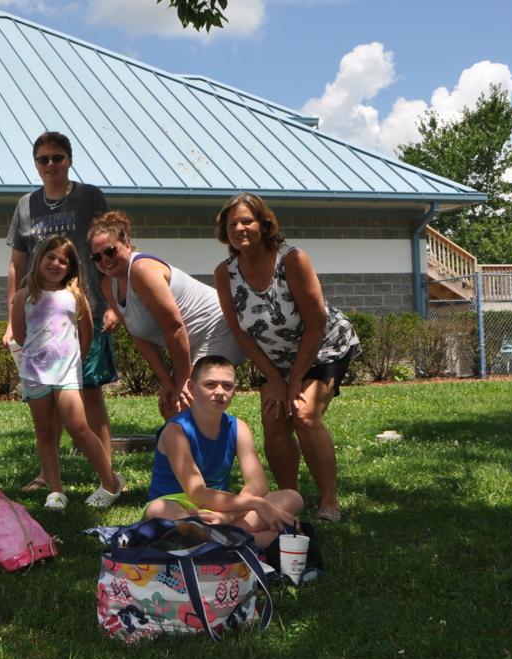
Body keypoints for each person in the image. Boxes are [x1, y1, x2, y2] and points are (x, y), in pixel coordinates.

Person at [213, 193, 361, 522]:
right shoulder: (225, 273)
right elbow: (240, 331)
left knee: (304, 414)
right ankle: (289, 499)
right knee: (275, 420)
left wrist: (294, 380)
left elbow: (315, 323)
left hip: (322, 346)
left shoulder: (292, 259)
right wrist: (277, 380)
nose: (239, 228)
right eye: (232, 223)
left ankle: (329, 502)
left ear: (264, 225)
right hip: (273, 357)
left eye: (247, 221)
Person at [4, 131, 113, 493]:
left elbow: (110, 250)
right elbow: (17, 265)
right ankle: (48, 477)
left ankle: (107, 474)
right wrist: (11, 318)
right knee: (44, 399)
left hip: (86, 309)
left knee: (91, 391)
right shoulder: (25, 205)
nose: (50, 165)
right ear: (36, 164)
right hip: (38, 319)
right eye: (43, 159)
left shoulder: (89, 197)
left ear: (69, 159)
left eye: (57, 158)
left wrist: (112, 304)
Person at [88, 210, 245, 420]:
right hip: (190, 342)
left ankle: (224, 444)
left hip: (219, 329)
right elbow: (138, 335)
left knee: (186, 402)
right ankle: (187, 451)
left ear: (126, 243)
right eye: (96, 257)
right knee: (171, 406)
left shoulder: (142, 270)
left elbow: (174, 327)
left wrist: (181, 380)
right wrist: (167, 381)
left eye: (110, 251)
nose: (104, 260)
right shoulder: (108, 285)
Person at [10, 236, 126, 510]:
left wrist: (72, 361)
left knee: (79, 428)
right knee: (46, 431)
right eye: (50, 257)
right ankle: (56, 491)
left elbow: (86, 336)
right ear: (39, 259)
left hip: (66, 375)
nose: (56, 263)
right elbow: (19, 333)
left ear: (71, 267)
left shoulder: (75, 296)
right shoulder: (24, 296)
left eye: (63, 260)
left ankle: (111, 482)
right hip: (35, 374)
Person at [144, 357, 303, 549]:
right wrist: (257, 505)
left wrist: (228, 516)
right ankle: (256, 540)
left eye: (227, 386)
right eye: (210, 385)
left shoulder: (238, 428)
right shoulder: (176, 431)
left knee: (292, 497)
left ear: (234, 390)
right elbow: (197, 493)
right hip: (181, 507)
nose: (219, 392)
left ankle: (220, 539)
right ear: (192, 388)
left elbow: (258, 483)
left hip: (223, 508)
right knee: (157, 510)